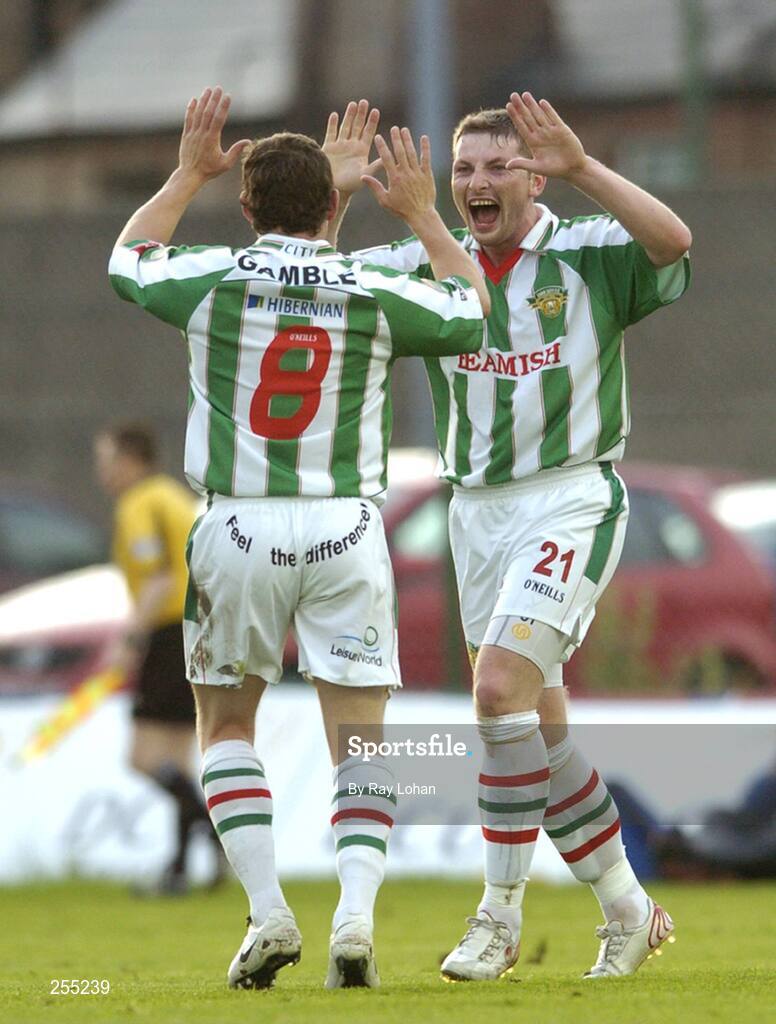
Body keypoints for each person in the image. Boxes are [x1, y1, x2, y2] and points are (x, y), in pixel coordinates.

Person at [108, 88, 488, 989]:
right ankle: (354, 921)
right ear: (332, 207)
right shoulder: (376, 290)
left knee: (227, 725)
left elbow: (128, 260)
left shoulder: (210, 280)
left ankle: (271, 911)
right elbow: (472, 310)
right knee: (361, 744)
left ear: (244, 209)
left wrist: (186, 170)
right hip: (347, 529)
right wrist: (427, 217)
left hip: (237, 524)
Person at [327, 91, 691, 980]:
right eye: (464, 170)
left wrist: (584, 168)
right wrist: (333, 204)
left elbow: (674, 242)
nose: (477, 183)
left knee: (494, 695)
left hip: (569, 497)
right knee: (538, 731)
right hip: (475, 514)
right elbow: (325, 292)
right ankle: (629, 908)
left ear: (532, 175)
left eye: (498, 166)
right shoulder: (426, 261)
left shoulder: (582, 253)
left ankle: (497, 916)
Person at [94, 421, 221, 894]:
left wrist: (129, 640)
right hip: (195, 628)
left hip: (169, 633)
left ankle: (216, 833)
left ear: (130, 460)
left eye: (106, 461)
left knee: (144, 758)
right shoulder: (171, 495)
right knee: (178, 763)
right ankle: (181, 869)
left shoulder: (140, 504)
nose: (102, 472)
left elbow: (159, 578)